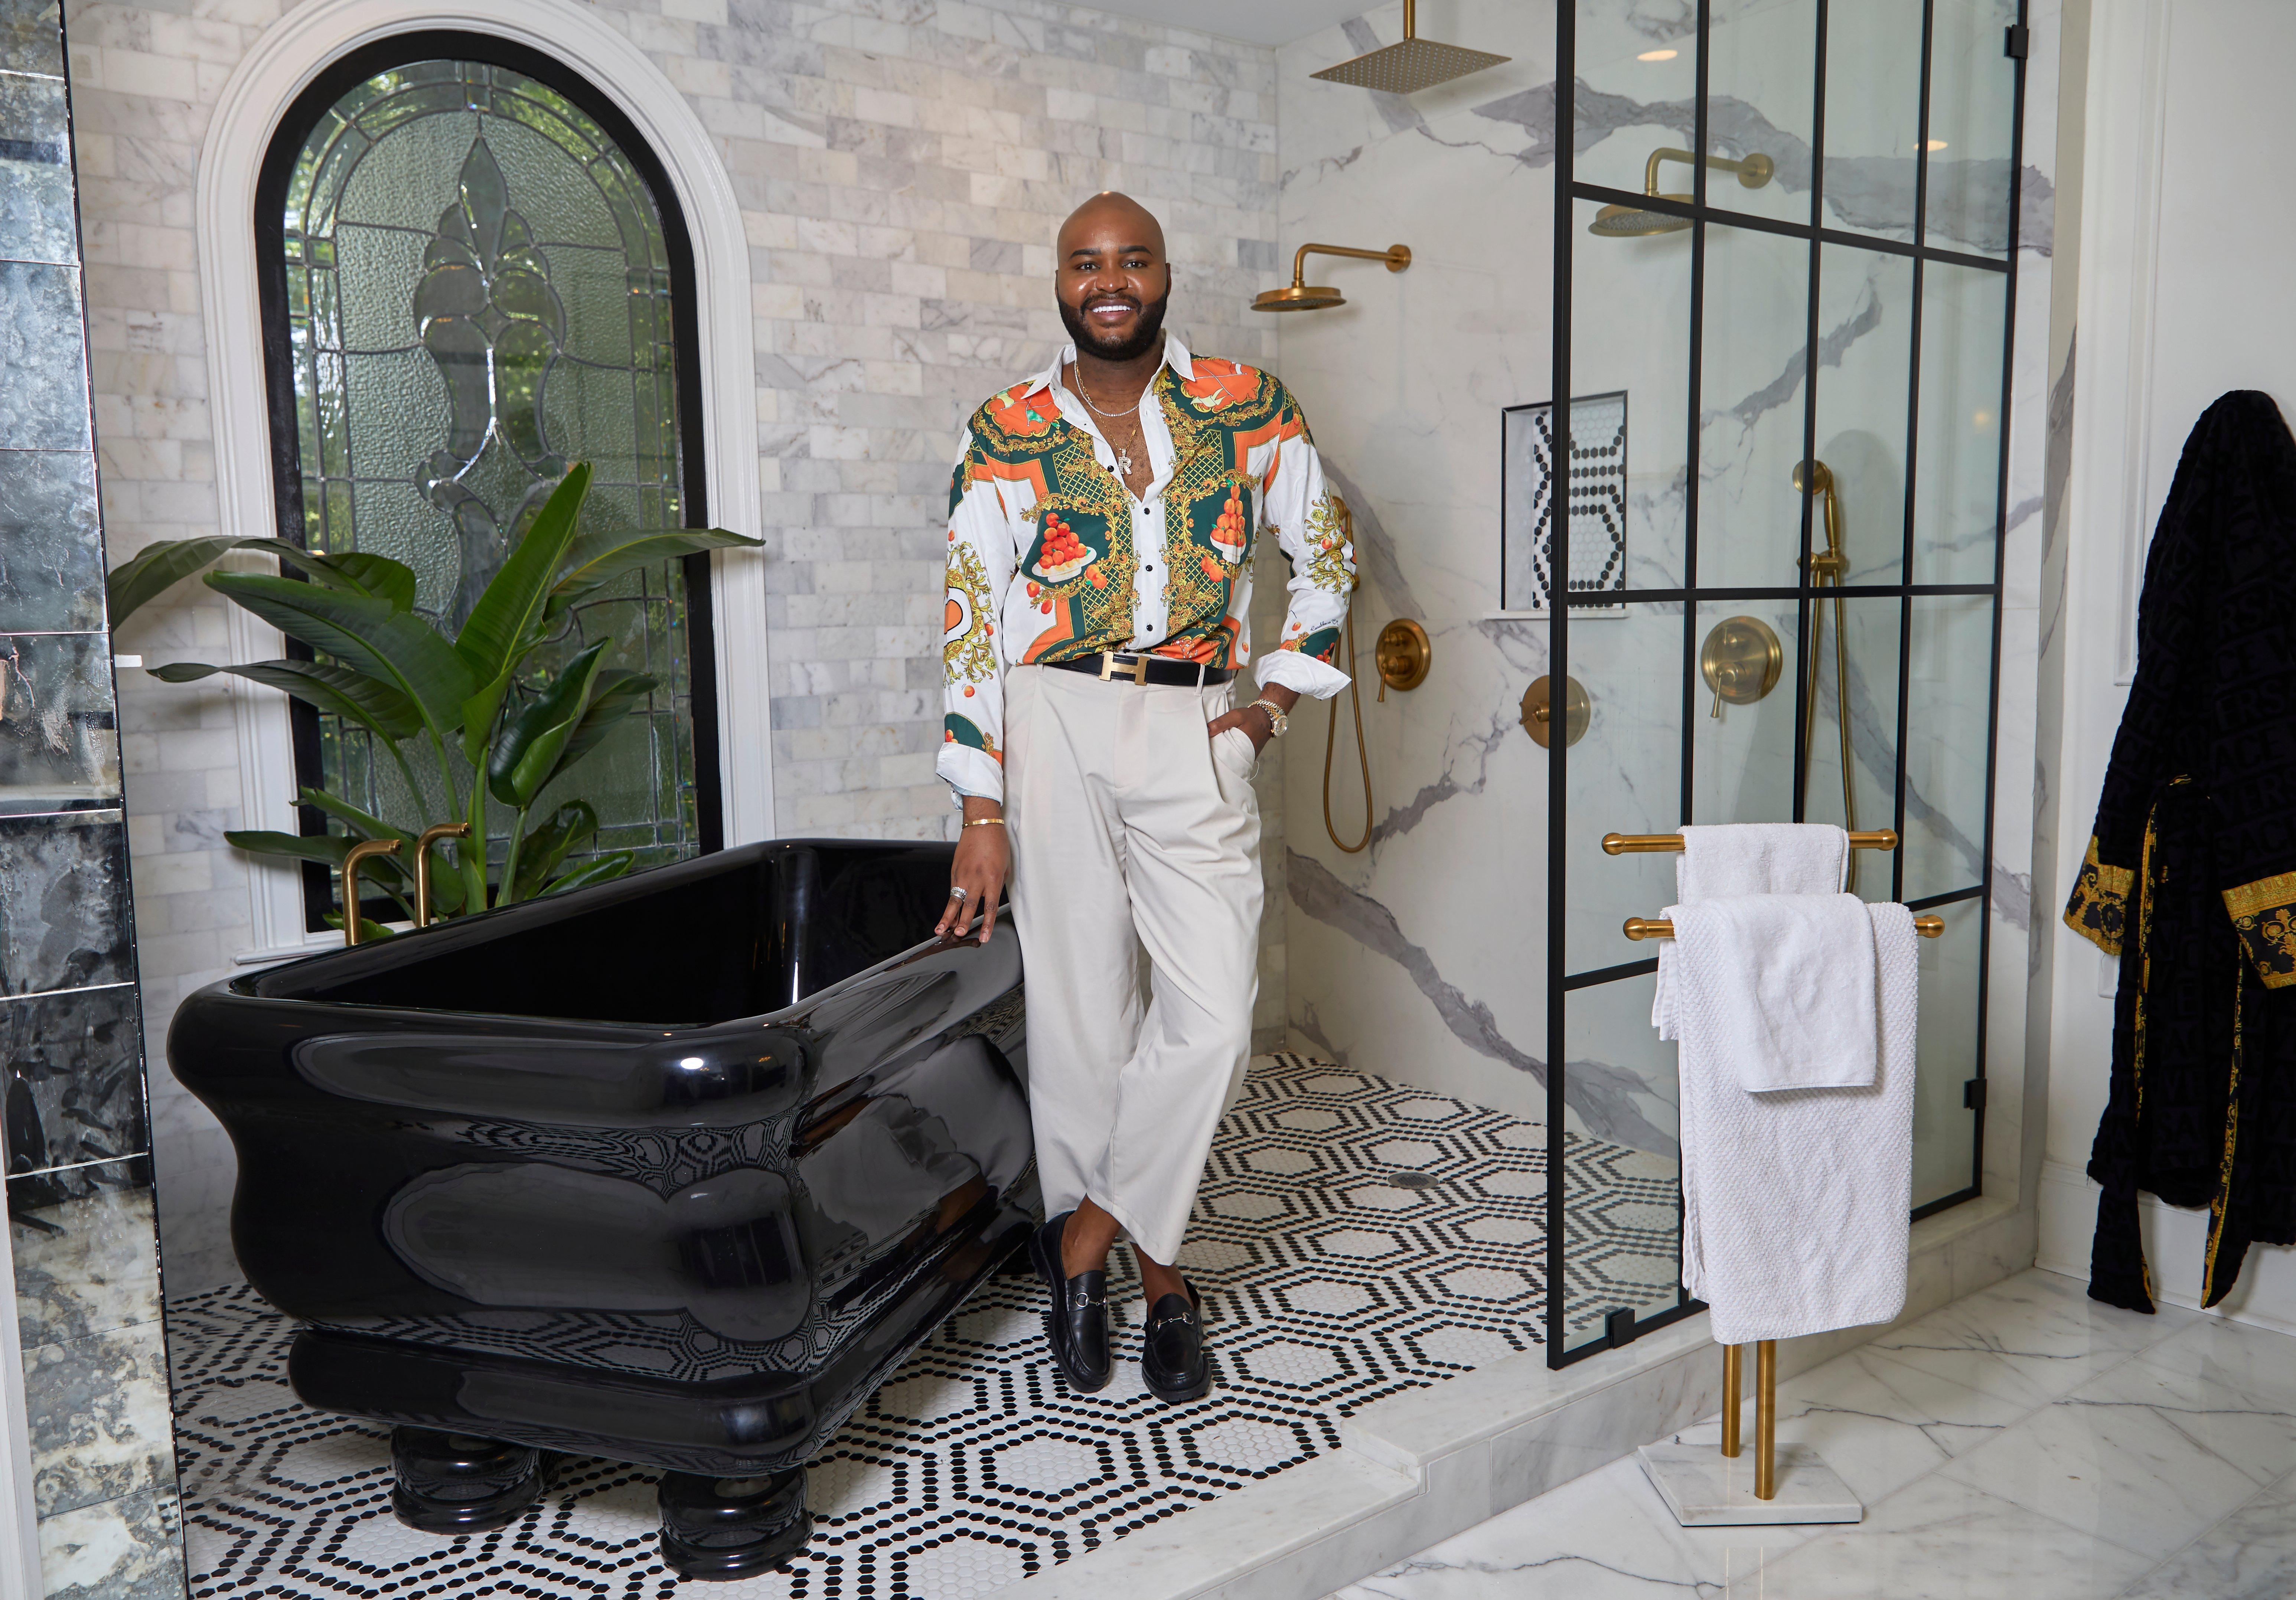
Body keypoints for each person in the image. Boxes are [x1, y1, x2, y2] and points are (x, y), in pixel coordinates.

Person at [932, 192, 1357, 1402]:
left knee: (1212, 1015)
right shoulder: (1005, 428)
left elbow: (1327, 557)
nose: (1108, 282)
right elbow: (969, 618)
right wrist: (980, 807)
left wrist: (1269, 707)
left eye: (1131, 261)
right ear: (1060, 282)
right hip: (1049, 715)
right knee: (1084, 1021)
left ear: (1166, 276)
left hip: (1196, 716)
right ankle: (1162, 1279)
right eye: (1085, 263)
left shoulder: (1248, 404)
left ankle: (1082, 1241)